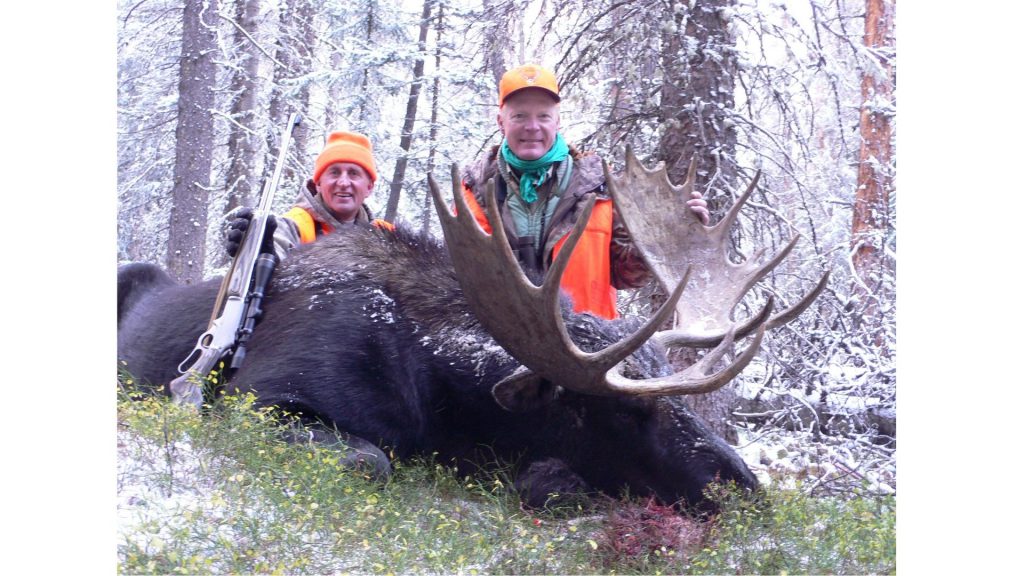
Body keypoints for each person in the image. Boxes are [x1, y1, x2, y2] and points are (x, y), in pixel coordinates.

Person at [459, 63, 709, 320]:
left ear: (557, 120)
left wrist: (668, 236)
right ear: (501, 122)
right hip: (501, 349)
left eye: (543, 116)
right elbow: (462, 280)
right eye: (519, 116)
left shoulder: (600, 186)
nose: (532, 126)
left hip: (589, 348)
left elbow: (625, 273)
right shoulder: (472, 192)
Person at [226, 130, 393, 260]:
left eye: (353, 174)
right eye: (334, 173)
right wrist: (263, 255)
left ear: (369, 187)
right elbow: (277, 250)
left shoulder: (386, 236)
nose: (343, 182)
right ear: (318, 183)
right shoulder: (293, 226)